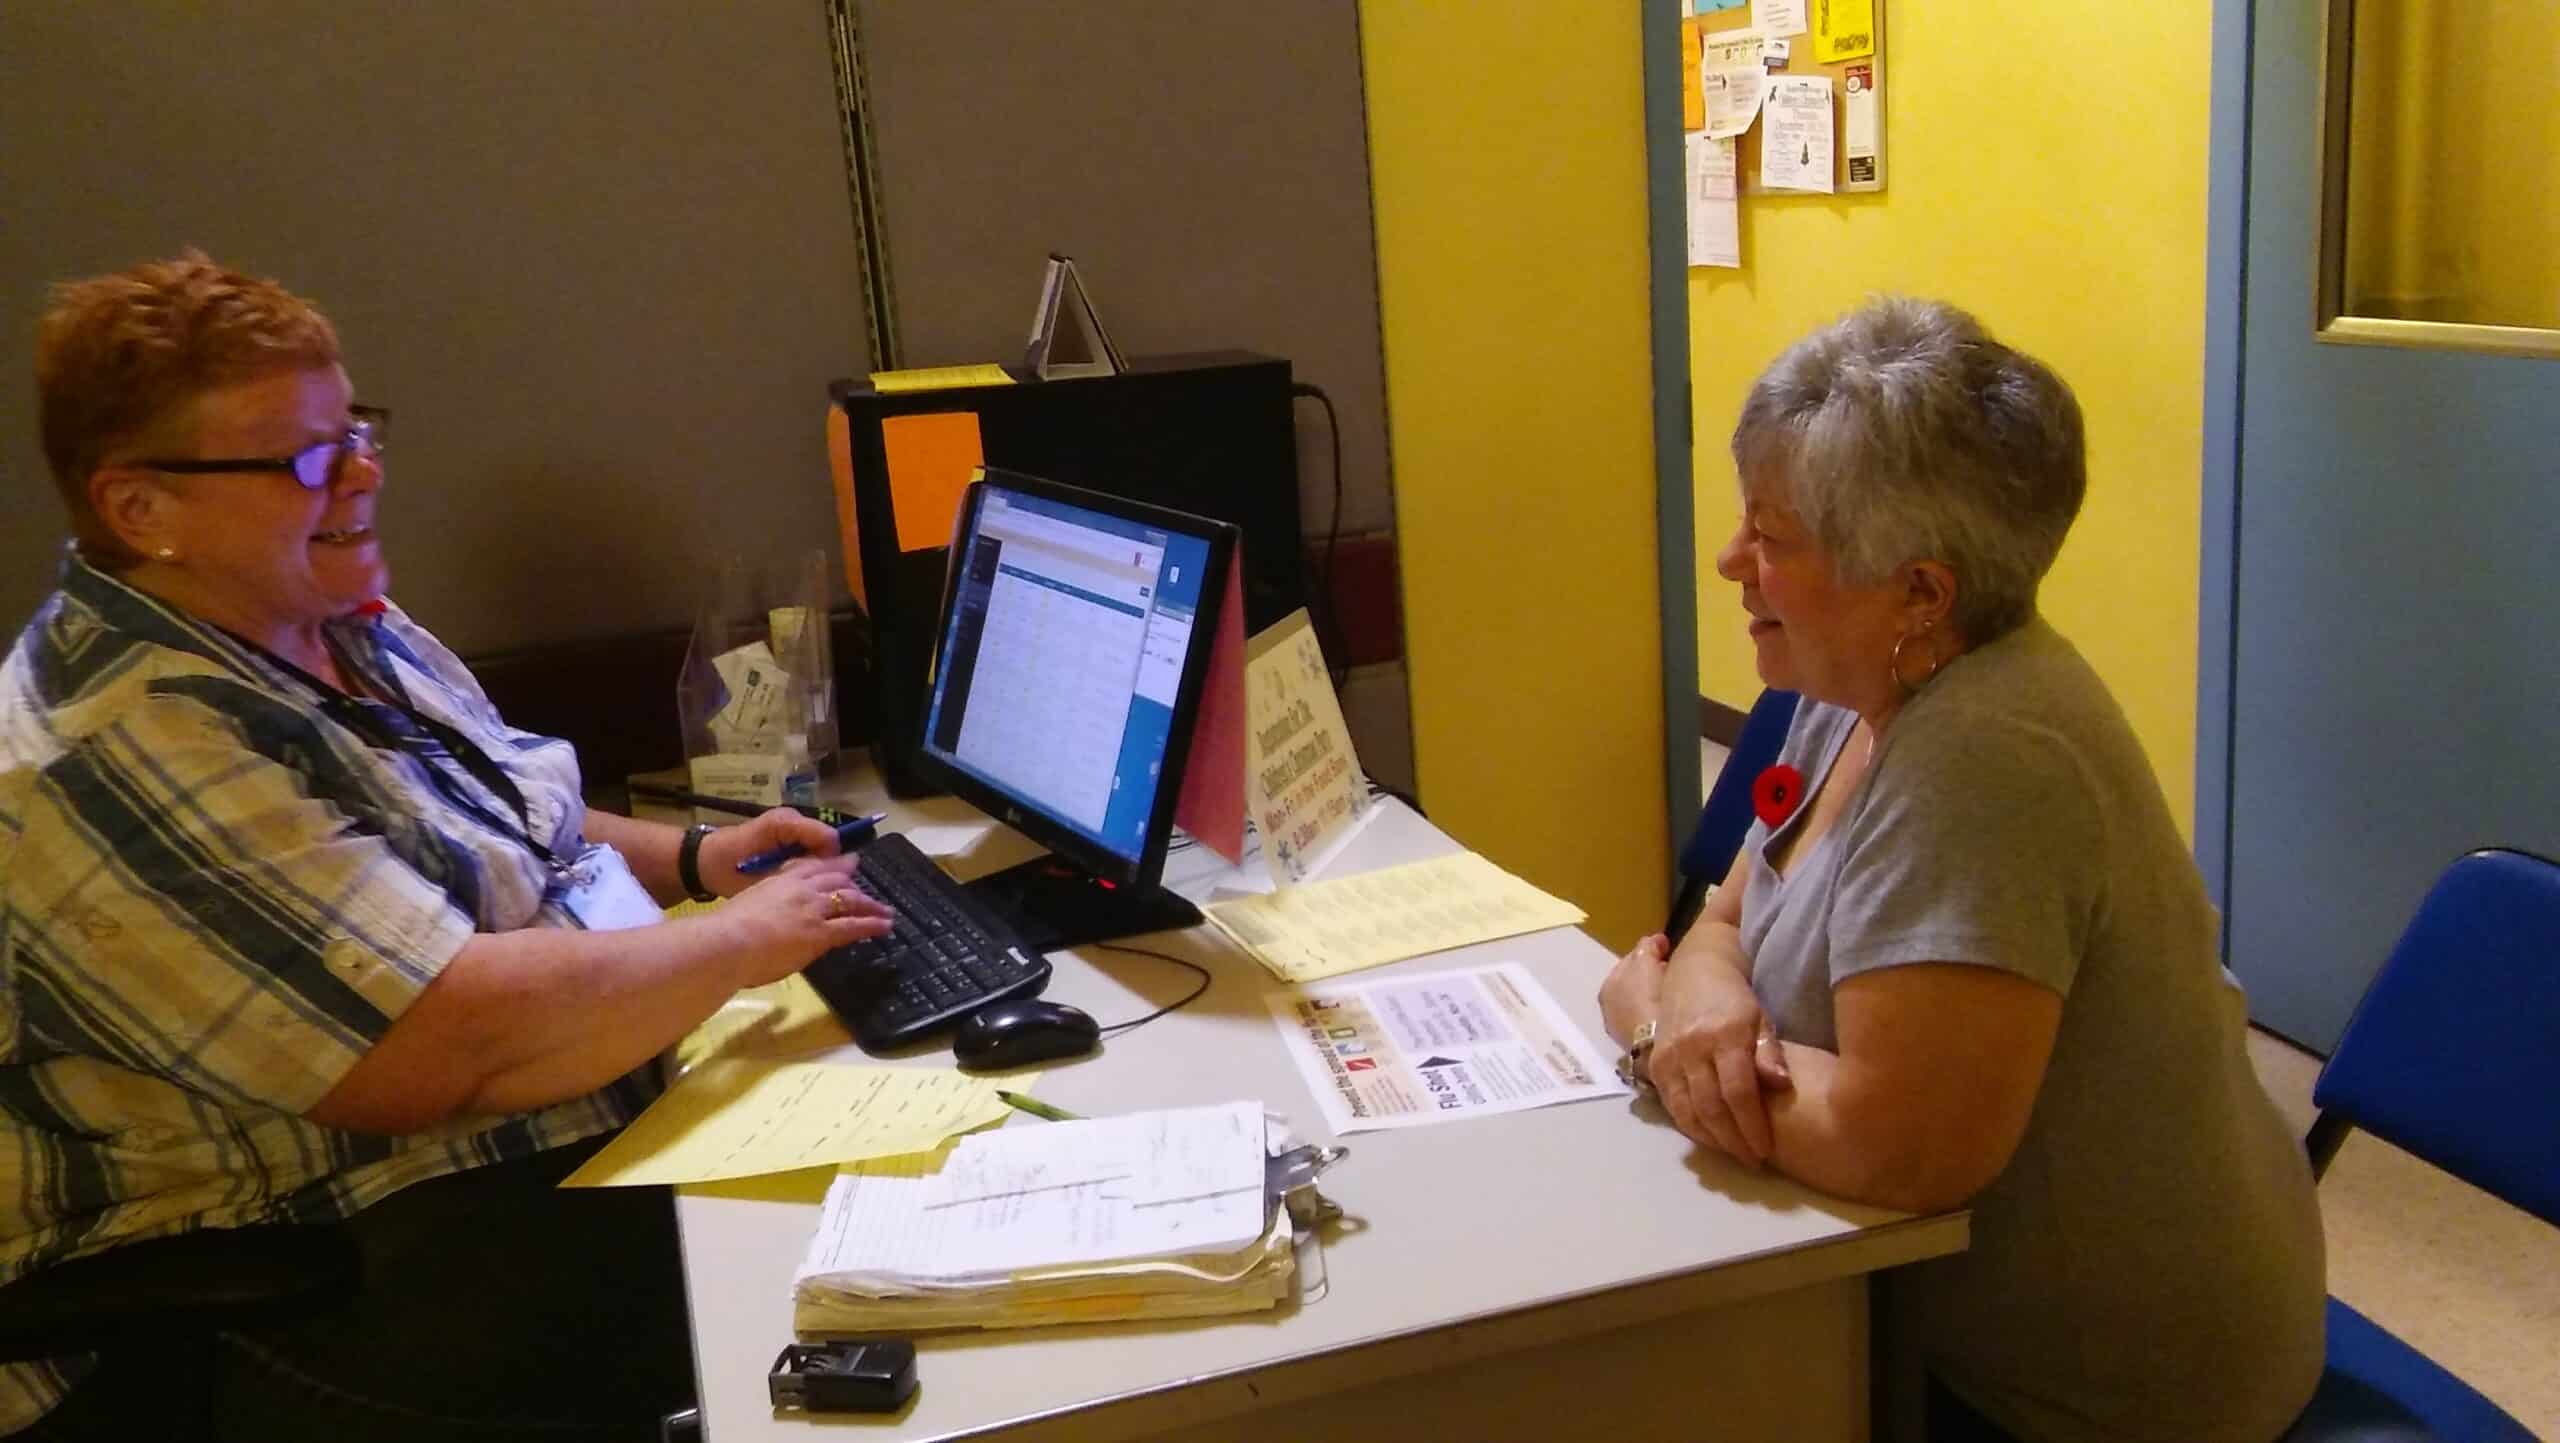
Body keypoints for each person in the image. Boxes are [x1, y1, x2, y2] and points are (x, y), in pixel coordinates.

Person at [0, 252, 895, 1440]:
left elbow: (510, 831)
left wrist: (689, 867)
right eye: (307, 459)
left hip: (474, 1150)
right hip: (269, 1284)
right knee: (840, 1284)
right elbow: (440, 1044)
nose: (362, 474)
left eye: (355, 431)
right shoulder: (122, 749)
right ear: (141, 509)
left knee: (872, 1164)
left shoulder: (312, 614)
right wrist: (735, 944)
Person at [1600, 298, 2325, 1442]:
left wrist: (1652, 1031)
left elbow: (1900, 1150)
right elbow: (1723, 919)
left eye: (1773, 539)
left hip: (2090, 1390)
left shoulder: (1985, 761)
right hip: (1897, 1292)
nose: (1734, 563)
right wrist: (1693, 993)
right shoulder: (1847, 687)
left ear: (1921, 594)